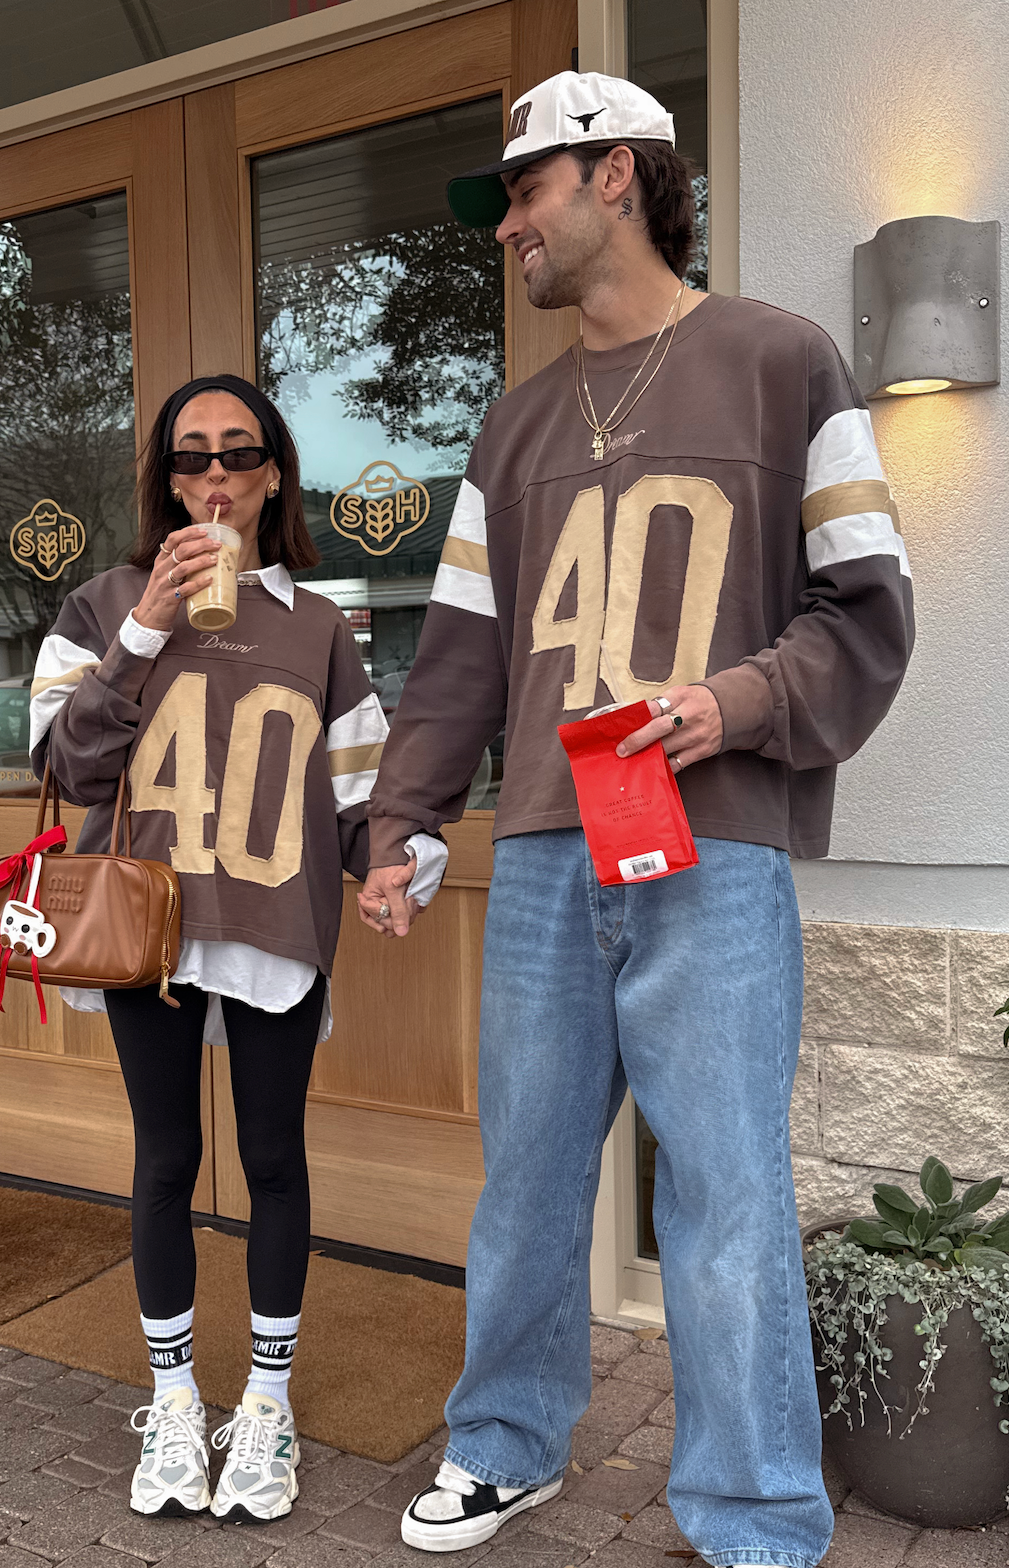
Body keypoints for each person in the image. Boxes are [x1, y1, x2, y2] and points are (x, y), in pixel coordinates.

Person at [359, 71, 914, 1568]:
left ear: (615, 176)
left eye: (523, 193)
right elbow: (462, 655)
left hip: (713, 845)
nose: (507, 230)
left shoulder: (781, 363)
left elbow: (867, 609)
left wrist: (726, 705)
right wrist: (402, 822)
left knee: (725, 1190)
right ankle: (503, 1447)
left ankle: (752, 1519)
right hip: (547, 843)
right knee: (528, 1176)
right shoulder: (511, 424)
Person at [28, 374, 444, 1524]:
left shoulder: (317, 627)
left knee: (271, 1160)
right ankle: (172, 1396)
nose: (214, 476)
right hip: (143, 930)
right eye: (192, 457)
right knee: (165, 1159)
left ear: (271, 476)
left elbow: (363, 796)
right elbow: (66, 768)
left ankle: (264, 1402)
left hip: (269, 928)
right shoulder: (100, 602)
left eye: (238, 454)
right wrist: (146, 625)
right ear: (166, 479)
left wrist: (397, 863)